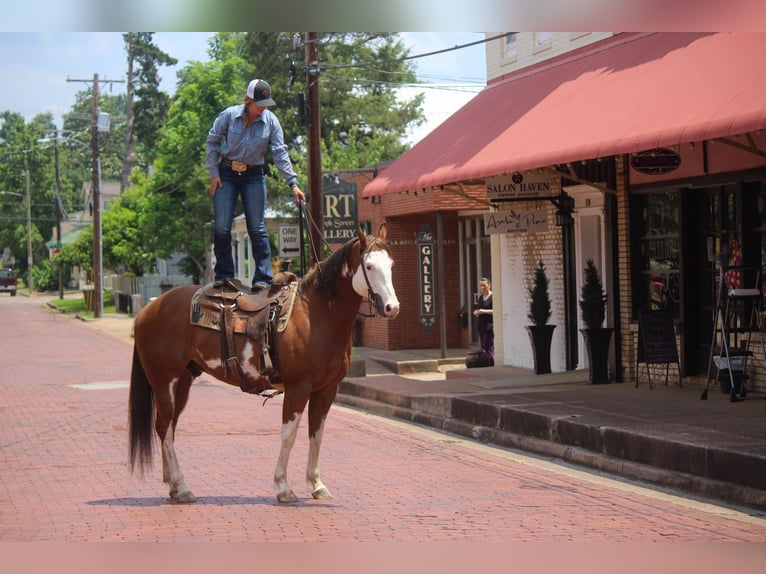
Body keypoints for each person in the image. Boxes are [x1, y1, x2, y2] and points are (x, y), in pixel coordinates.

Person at [205, 78, 305, 292]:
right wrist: (213, 173)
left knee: (257, 228)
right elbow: (212, 141)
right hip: (227, 173)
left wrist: (293, 183)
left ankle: (263, 278)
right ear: (248, 100)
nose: (263, 109)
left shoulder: (271, 122)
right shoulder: (229, 116)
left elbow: (280, 153)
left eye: (266, 104)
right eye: (259, 104)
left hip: (253, 176)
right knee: (222, 227)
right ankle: (224, 275)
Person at [473, 277, 494, 365]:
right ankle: (486, 364)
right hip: (481, 326)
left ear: (489, 285)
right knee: (483, 348)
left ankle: (491, 364)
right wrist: (476, 312)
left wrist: (483, 311)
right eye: (481, 286)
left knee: (488, 347)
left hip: (489, 326)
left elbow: (495, 311)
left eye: (484, 286)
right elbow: (479, 309)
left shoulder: (493, 297)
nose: (482, 288)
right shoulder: (481, 298)